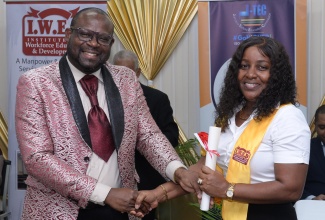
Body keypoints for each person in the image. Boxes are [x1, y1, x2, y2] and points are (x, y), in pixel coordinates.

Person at [15, 7, 199, 220]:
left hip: (119, 211)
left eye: (103, 38)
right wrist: (105, 193)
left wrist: (177, 170)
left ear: (111, 44)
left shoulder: (126, 80)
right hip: (58, 211)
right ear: (69, 35)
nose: (93, 43)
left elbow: (149, 136)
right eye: (85, 34)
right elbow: (37, 158)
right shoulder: (36, 83)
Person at [134, 36, 311, 220]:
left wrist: (227, 189)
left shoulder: (287, 117)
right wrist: (157, 194)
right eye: (244, 66)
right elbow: (202, 171)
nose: (250, 74)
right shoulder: (230, 116)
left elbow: (290, 189)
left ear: (276, 76)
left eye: (262, 67)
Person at [113, 50, 179, 220]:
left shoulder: (157, 98)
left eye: (128, 73)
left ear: (138, 73)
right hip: (112, 182)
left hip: (146, 182)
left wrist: (143, 143)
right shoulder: (102, 98)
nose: (123, 78)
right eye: (118, 72)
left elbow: (172, 136)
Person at [301, 105, 325, 200]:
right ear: (315, 126)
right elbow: (293, 184)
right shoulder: (304, 148)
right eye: (322, 127)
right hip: (311, 209)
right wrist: (312, 199)